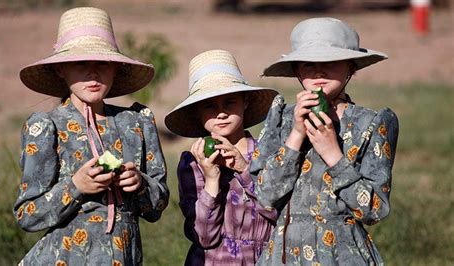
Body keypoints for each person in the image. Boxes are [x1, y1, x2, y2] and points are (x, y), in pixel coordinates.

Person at [13, 7, 169, 265]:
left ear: (116, 68)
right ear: (61, 69)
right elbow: (27, 215)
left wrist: (140, 183)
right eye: (81, 63)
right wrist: (76, 186)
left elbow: (157, 206)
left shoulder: (136, 123)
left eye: (102, 63)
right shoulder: (46, 127)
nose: (93, 73)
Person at [250, 17, 399, 265]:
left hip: (342, 256)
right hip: (285, 256)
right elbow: (265, 196)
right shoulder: (280, 118)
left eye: (330, 62)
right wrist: (296, 135)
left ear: (351, 67)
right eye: (308, 64)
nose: (319, 71)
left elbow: (373, 209)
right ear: (297, 70)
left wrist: (334, 155)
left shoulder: (370, 123)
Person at [164, 49, 279, 265]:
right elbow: (204, 237)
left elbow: (279, 214)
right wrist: (211, 180)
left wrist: (245, 169)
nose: (221, 113)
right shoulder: (191, 164)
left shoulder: (270, 153)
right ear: (197, 111)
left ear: (245, 102)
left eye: (230, 102)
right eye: (209, 105)